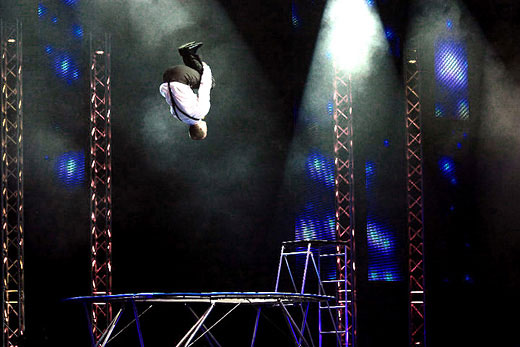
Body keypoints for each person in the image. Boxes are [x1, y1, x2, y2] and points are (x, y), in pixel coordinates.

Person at [159, 41, 214, 140]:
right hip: (166, 77)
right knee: (193, 85)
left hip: (181, 75)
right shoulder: (179, 117)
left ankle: (188, 52)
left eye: (206, 130)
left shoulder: (202, 111)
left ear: (201, 128)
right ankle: (188, 52)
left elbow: (205, 87)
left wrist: (205, 68)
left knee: (210, 82)